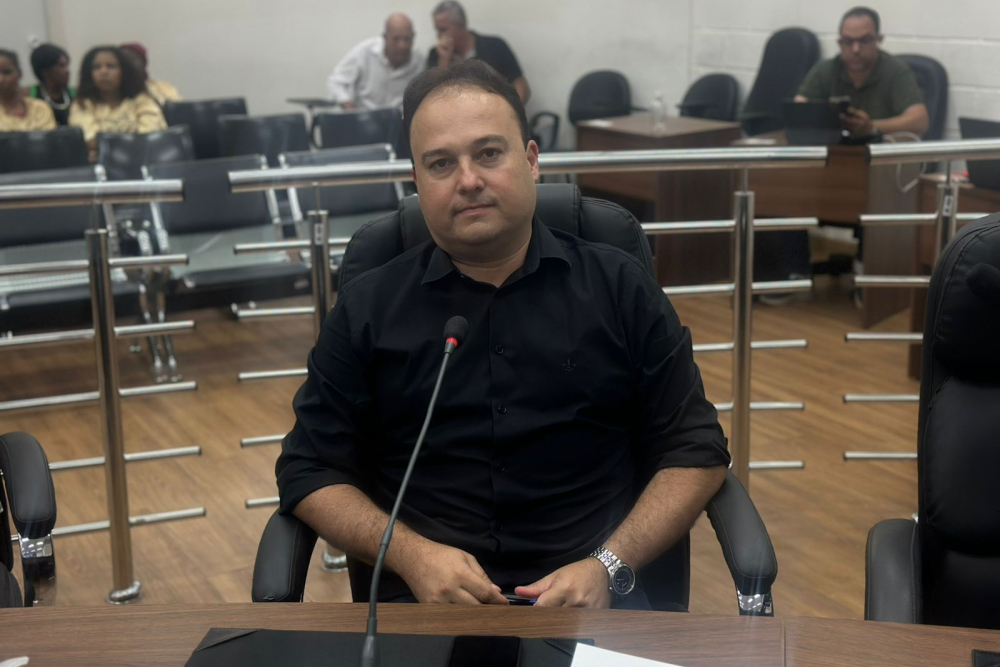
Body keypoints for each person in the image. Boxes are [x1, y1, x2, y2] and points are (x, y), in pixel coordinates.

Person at [276, 60, 729, 609]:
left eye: (489, 154)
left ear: (532, 160)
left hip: (597, 603)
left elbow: (696, 448)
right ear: (417, 181)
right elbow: (309, 467)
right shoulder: (367, 307)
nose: (468, 180)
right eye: (441, 163)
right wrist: (411, 556)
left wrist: (608, 565)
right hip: (425, 607)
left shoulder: (618, 287)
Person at [795, 6, 929, 138]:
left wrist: (871, 127)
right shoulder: (825, 69)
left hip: (879, 149)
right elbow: (796, 112)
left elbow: (920, 121)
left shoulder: (895, 71)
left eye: (865, 40)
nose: (856, 49)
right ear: (840, 42)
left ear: (879, 40)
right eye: (848, 41)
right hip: (834, 148)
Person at [68, 45, 167, 161]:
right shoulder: (82, 105)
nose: (104, 72)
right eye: (96, 67)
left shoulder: (143, 100)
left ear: (124, 71)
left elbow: (150, 137)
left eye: (111, 66)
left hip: (146, 161)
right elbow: (89, 140)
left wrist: (107, 150)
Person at [427, 1, 530, 104]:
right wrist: (444, 60)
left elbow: (521, 85)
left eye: (443, 30)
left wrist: (510, 110)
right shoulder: (436, 54)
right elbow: (431, 97)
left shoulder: (495, 46)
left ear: (461, 25)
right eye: (437, 30)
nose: (439, 35)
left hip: (495, 108)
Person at [326, 13, 424, 111]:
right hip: (364, 116)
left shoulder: (419, 61)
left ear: (413, 37)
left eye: (407, 39)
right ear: (385, 37)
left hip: (401, 119)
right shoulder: (364, 52)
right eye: (396, 39)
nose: (402, 45)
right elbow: (336, 83)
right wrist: (351, 110)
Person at [0, 49, 57, 132]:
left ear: (19, 73)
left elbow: (50, 138)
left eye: (7, 72)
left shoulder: (40, 108)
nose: (1, 79)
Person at [27, 43, 75, 126]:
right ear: (45, 70)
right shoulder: (30, 95)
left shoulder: (74, 93)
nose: (67, 71)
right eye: (61, 66)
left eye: (67, 66)